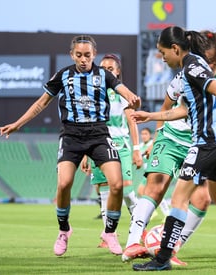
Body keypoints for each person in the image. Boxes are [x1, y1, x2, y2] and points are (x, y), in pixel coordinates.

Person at [130, 26, 216, 271]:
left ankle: (162, 259)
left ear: (176, 48)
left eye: (162, 52)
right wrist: (150, 115)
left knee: (179, 198)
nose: (162, 57)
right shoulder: (194, 67)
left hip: (208, 142)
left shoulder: (191, 67)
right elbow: (183, 109)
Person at [0, 35, 140, 257]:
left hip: (100, 134)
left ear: (94, 55)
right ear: (72, 55)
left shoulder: (104, 75)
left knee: (117, 185)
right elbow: (40, 103)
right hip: (72, 135)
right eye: (79, 55)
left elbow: (125, 91)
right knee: (64, 184)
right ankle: (64, 230)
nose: (83, 59)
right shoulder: (63, 75)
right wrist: (17, 124)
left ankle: (110, 232)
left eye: (88, 55)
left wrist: (133, 98)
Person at [80, 53, 143, 253]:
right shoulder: (92, 94)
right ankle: (110, 234)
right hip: (98, 145)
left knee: (125, 189)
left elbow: (132, 122)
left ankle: (139, 229)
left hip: (121, 146)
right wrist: (84, 154)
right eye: (103, 67)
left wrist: (136, 149)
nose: (106, 70)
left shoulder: (121, 93)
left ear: (117, 72)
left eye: (110, 68)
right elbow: (86, 125)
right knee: (105, 191)